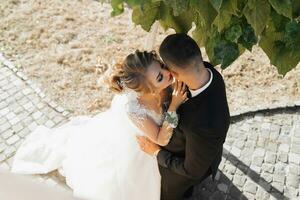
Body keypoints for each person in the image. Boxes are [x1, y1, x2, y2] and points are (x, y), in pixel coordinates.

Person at [11, 50, 186, 200]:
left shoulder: (165, 86)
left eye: (161, 66)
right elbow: (161, 139)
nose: (167, 72)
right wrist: (173, 106)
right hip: (139, 150)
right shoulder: (135, 109)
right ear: (149, 90)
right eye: (160, 76)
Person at [137, 34, 230, 200]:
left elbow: (192, 171)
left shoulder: (203, 125)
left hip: (177, 169)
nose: (164, 72)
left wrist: (156, 152)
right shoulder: (208, 72)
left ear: (173, 73)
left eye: (164, 67)